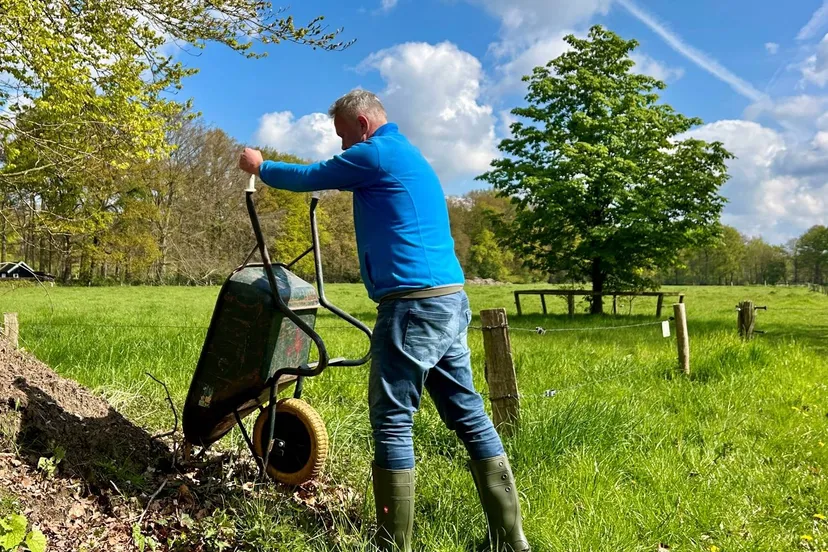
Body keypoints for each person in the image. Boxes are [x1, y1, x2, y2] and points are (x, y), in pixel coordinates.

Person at [238, 89, 530, 552]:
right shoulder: (406, 154)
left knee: (392, 421)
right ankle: (511, 540)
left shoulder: (375, 154)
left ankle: (392, 545)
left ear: (362, 124)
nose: (342, 146)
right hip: (448, 301)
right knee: (469, 415)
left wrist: (261, 166)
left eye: (343, 135)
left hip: (412, 306)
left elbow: (313, 175)